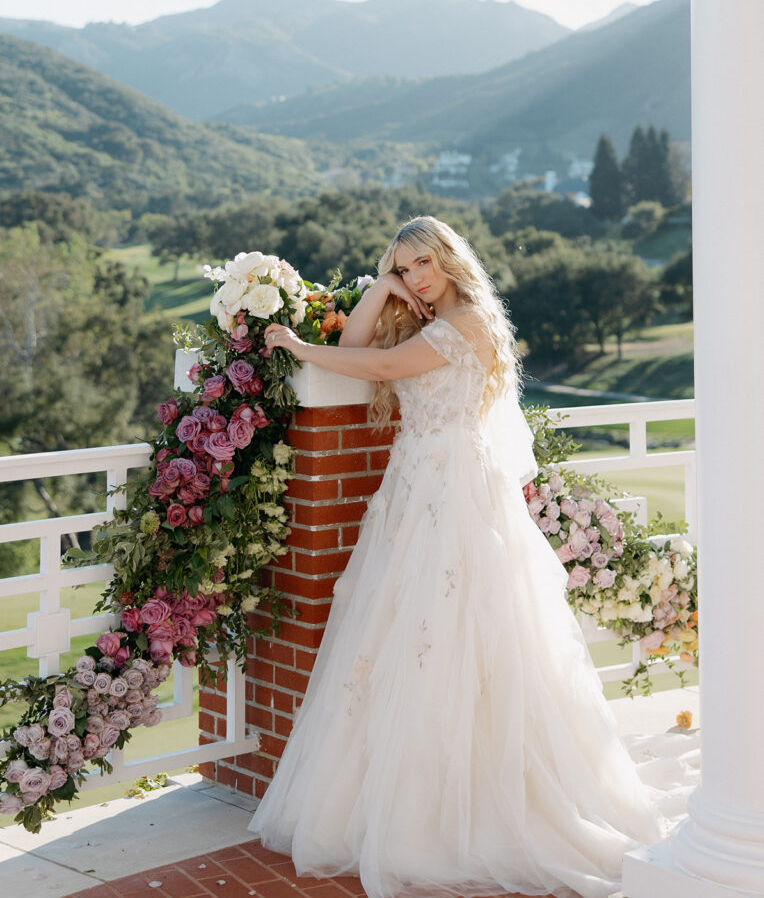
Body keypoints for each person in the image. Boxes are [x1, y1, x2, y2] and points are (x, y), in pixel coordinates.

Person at [249, 216, 669, 898]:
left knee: (451, 634)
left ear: (449, 260)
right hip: (411, 488)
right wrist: (381, 291)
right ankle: (390, 802)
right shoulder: (414, 315)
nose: (415, 276)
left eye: (422, 264)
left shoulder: (469, 320)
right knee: (394, 633)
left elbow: (378, 367)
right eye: (402, 266)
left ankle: (457, 814)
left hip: (455, 493)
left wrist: (298, 345)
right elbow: (359, 343)